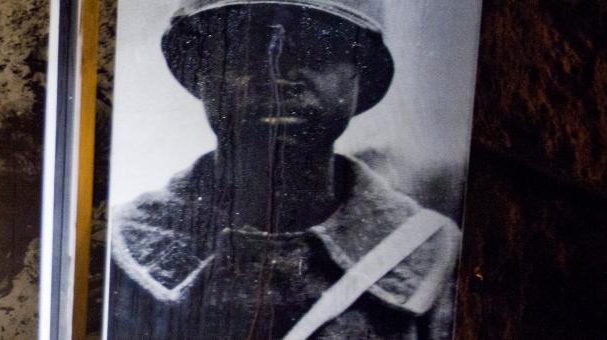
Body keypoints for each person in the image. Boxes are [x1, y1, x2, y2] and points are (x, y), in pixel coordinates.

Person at [106, 1, 460, 339]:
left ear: (361, 74)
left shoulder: (434, 259)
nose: (278, 74)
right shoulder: (120, 252)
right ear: (201, 72)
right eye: (246, 46)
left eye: (317, 45)